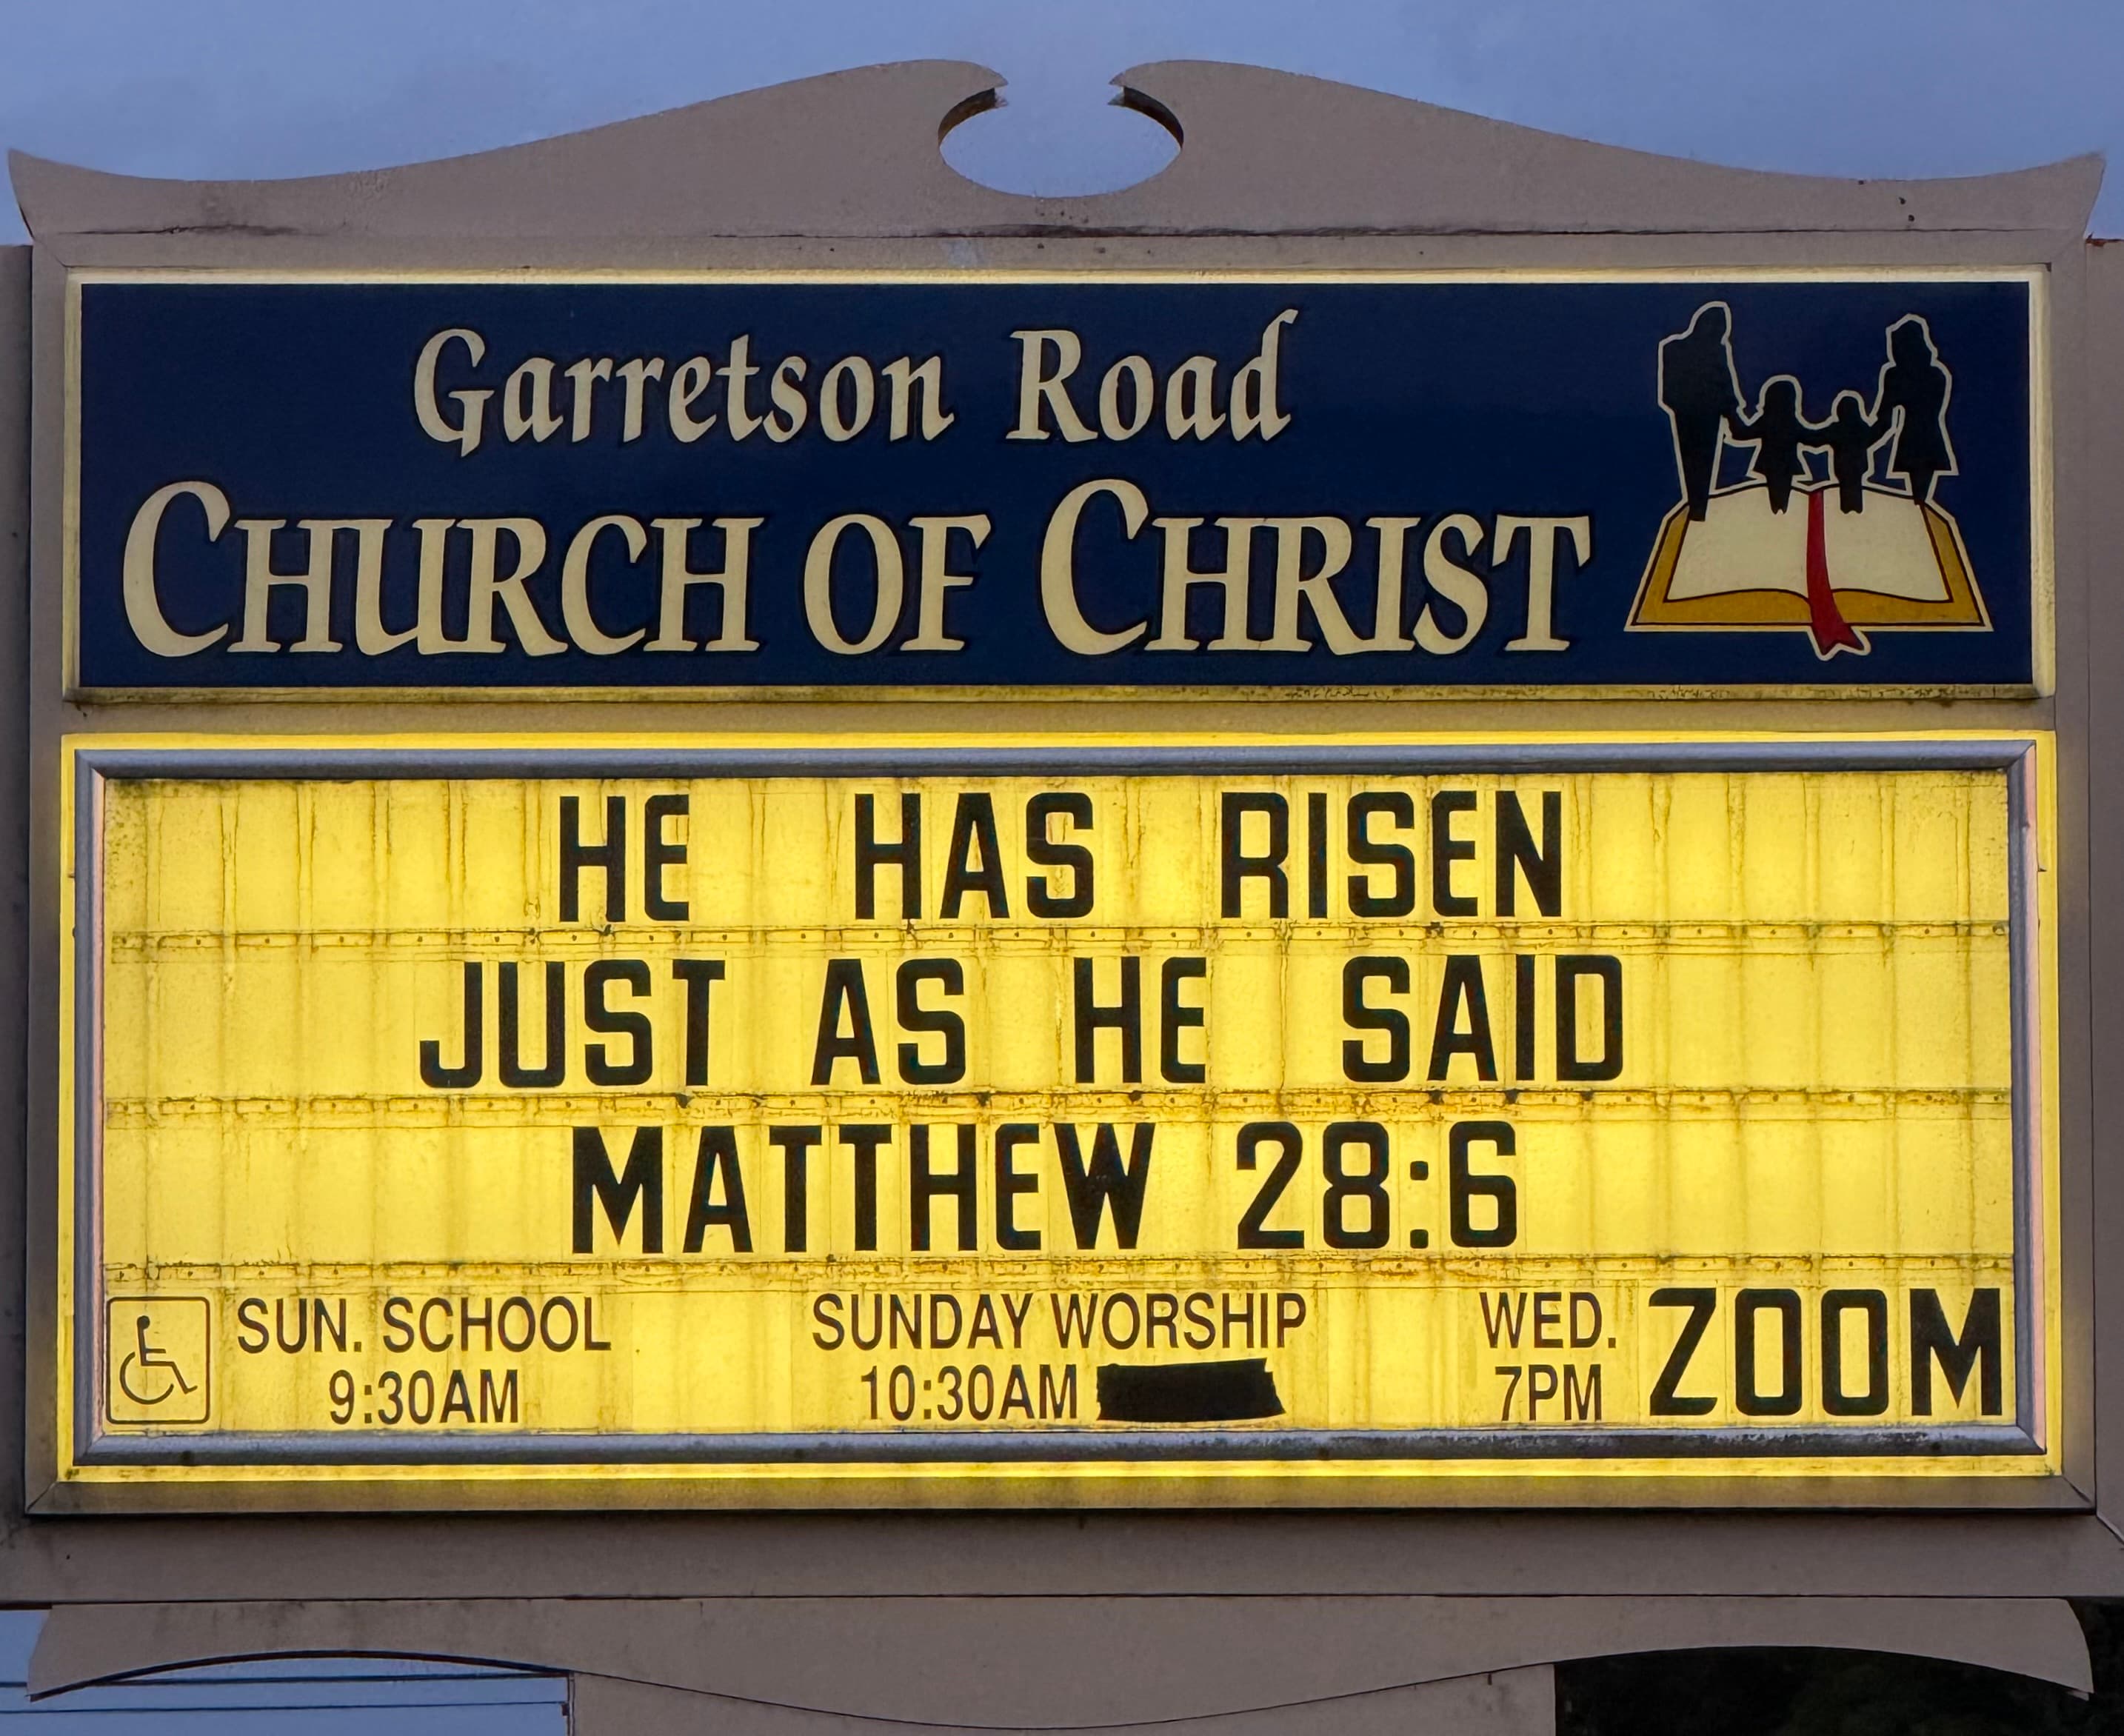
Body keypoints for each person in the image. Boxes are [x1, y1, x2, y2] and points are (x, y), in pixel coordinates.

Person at [1658, 302, 1743, 521]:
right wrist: (1732, 415)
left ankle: (1699, 509)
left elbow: (1724, 384)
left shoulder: (1713, 349)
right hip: (1691, 415)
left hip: (1704, 416)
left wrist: (1733, 416)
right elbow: (1669, 391)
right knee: (1694, 461)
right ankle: (1696, 508)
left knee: (1703, 464)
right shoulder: (1674, 348)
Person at [1869, 315, 1955, 504]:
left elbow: (1885, 420)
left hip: (1913, 441)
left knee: (1919, 503)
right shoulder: (1937, 373)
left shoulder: (1896, 375)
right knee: (1920, 501)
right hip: (1930, 441)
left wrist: (1863, 443)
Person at [1729, 376, 1812, 514]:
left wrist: (1732, 414)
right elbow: (1812, 437)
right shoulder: (1790, 423)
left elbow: (1742, 433)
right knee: (1781, 501)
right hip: (1786, 466)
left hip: (1771, 465)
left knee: (1775, 501)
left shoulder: (1768, 421)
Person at [1811, 390, 1883, 513]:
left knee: (1849, 491)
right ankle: (1852, 508)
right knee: (1852, 490)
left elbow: (1816, 438)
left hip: (1844, 468)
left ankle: (1850, 509)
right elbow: (1877, 432)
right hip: (1856, 468)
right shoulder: (1862, 428)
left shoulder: (1838, 429)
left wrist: (1797, 434)